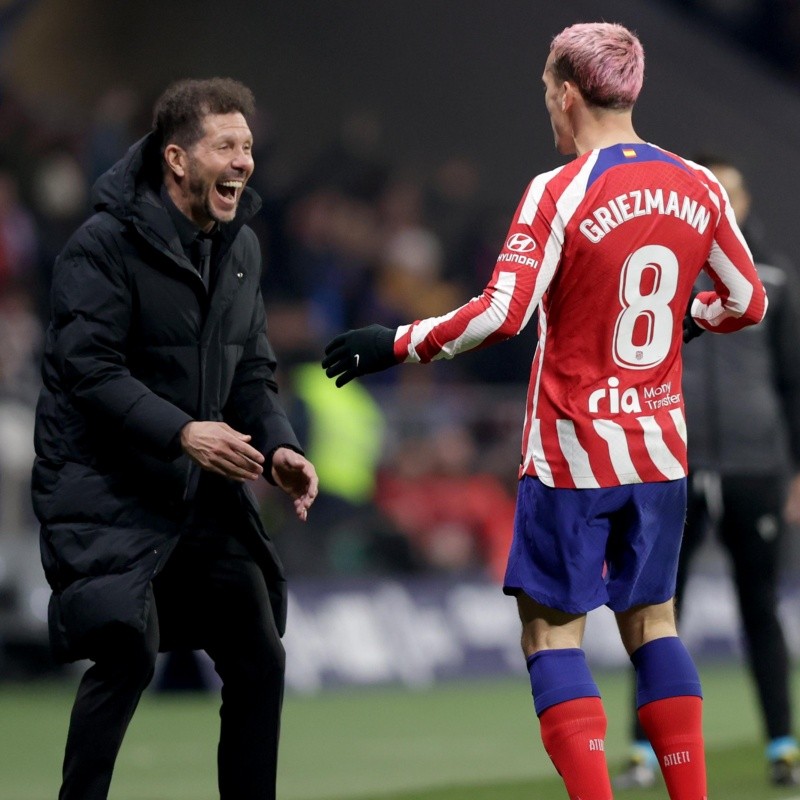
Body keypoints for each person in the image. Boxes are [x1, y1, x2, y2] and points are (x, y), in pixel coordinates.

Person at [322, 22, 767, 800]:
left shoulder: (559, 191)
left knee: (552, 634)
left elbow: (502, 313)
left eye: (546, 97)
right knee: (653, 624)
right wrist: (684, 321)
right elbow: (746, 298)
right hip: (659, 451)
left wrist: (397, 343)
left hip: (572, 454)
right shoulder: (698, 183)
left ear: (567, 93)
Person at [31, 78, 318, 800]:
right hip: (110, 487)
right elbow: (88, 371)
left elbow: (252, 369)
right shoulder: (101, 246)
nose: (243, 161)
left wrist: (279, 447)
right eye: (226, 145)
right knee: (127, 653)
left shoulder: (241, 247)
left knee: (259, 655)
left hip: (199, 494)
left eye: (247, 147)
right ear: (177, 159)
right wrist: (185, 430)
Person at [615, 156, 800, 791]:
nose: (720, 199)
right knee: (656, 606)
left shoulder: (775, 278)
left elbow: (794, 382)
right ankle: (642, 749)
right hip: (673, 461)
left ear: (745, 203)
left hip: (756, 464)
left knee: (761, 608)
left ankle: (782, 742)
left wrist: (797, 468)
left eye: (730, 190)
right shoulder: (663, 274)